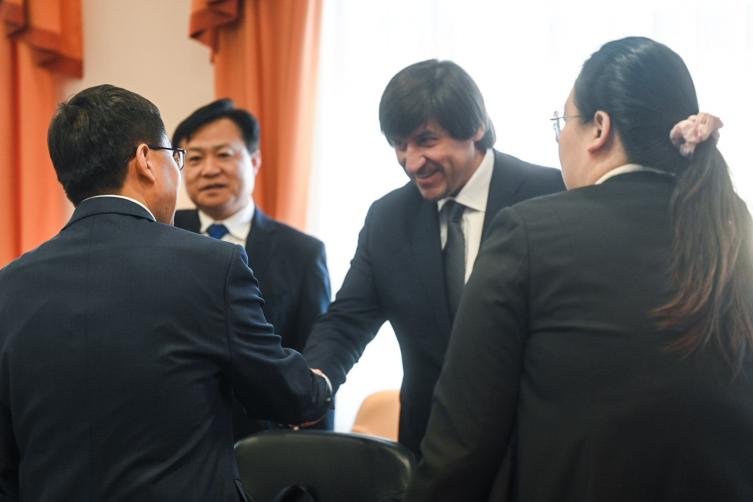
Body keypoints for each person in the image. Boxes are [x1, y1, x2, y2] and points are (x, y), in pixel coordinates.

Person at [406, 37, 753, 502]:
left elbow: (460, 449)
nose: (559, 138)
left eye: (563, 121)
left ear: (599, 129)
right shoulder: (735, 234)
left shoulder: (529, 234)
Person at [0, 85, 332, 502]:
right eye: (178, 156)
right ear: (145, 160)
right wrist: (320, 384)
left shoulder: (9, 284)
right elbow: (286, 395)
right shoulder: (211, 265)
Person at [303, 59, 565, 457]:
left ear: (475, 127)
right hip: (431, 448)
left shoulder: (551, 194)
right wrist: (315, 381)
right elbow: (347, 321)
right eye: (399, 145)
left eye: (426, 141)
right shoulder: (387, 218)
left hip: (537, 447)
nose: (411, 163)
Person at [171, 99, 333, 436]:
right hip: (176, 438)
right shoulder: (163, 237)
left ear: (255, 160)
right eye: (195, 158)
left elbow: (312, 361)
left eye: (223, 154)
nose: (209, 169)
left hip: (264, 443)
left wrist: (316, 453)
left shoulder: (302, 254)